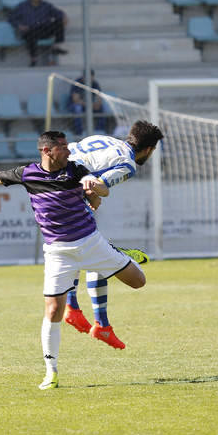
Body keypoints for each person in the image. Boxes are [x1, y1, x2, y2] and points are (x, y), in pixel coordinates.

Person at [0, 130, 147, 390]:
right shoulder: (28, 174)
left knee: (139, 282)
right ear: (47, 151)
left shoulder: (76, 169)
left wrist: (95, 189)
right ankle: (50, 373)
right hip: (58, 253)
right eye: (62, 147)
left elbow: (98, 189)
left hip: (91, 243)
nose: (68, 150)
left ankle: (116, 253)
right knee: (53, 310)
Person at [62, 120, 164, 347]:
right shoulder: (127, 164)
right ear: (149, 149)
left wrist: (92, 194)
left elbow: (75, 156)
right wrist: (98, 194)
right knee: (92, 252)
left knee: (90, 254)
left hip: (53, 184)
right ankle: (76, 309)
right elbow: (97, 185)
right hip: (66, 192)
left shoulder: (105, 139)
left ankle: (99, 323)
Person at [8, 0, 68, 67]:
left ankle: (55, 47)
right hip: (30, 30)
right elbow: (11, 17)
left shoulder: (46, 5)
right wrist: (19, 25)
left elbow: (58, 13)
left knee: (59, 21)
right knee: (30, 34)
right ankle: (33, 59)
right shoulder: (23, 6)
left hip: (44, 29)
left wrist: (64, 16)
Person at [67, 70, 107, 135]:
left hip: (89, 106)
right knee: (77, 108)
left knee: (102, 108)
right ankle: (78, 133)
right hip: (76, 105)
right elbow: (76, 100)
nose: (90, 79)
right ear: (83, 77)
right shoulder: (78, 83)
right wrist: (89, 105)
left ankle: (99, 132)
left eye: (91, 77)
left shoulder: (95, 83)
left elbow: (99, 98)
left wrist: (97, 104)